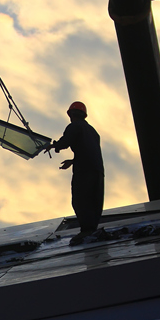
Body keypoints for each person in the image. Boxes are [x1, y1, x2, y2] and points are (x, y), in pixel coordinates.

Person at [51, 101, 104, 244]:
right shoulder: (93, 132)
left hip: (84, 170)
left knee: (81, 200)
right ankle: (91, 229)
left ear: (71, 114)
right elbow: (89, 151)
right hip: (97, 170)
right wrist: (73, 161)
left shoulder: (74, 126)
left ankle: (86, 230)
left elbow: (65, 141)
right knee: (94, 199)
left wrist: (55, 146)